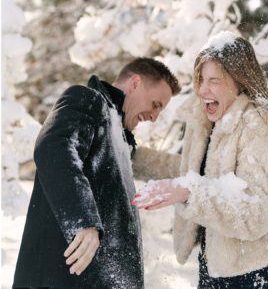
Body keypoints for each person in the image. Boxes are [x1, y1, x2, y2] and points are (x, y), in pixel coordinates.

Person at [132, 31, 268, 288]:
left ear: (239, 81)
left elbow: (255, 214)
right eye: (201, 79)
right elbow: (190, 170)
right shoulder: (207, 122)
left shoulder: (258, 124)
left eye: (214, 80)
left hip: (249, 274)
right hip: (213, 266)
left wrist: (189, 192)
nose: (203, 90)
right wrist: (132, 158)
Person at [13, 57, 181, 289]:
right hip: (65, 279)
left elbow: (143, 160)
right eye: (155, 104)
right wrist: (83, 222)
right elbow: (55, 146)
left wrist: (196, 167)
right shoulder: (87, 101)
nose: (154, 116)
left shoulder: (117, 132)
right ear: (134, 83)